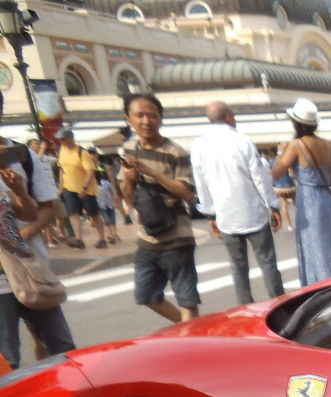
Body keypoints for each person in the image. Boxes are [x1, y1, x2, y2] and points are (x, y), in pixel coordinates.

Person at [0, 91, 74, 369]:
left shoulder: (23, 155)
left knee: (62, 348)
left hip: (31, 267)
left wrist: (18, 190)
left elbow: (35, 210)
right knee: (6, 361)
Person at [191, 100, 286, 304]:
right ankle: (280, 306)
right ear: (227, 116)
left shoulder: (199, 146)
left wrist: (209, 214)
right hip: (253, 212)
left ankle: (245, 310)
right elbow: (259, 177)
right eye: (233, 115)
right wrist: (273, 205)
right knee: (267, 264)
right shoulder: (242, 141)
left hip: (226, 215)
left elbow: (201, 183)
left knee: (238, 268)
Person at [119, 92, 201, 322]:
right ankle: (189, 331)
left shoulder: (175, 152)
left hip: (177, 237)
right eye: (140, 115)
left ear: (161, 118)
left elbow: (188, 194)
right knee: (146, 295)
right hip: (147, 237)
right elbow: (127, 196)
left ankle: (191, 340)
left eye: (152, 115)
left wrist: (150, 171)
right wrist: (129, 178)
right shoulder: (128, 149)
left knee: (187, 299)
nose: (146, 121)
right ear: (129, 119)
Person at [271, 98, 331, 287]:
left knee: (313, 245)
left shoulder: (296, 144)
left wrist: (280, 152)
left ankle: (318, 287)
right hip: (325, 199)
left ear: (296, 123)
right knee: (329, 246)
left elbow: (276, 172)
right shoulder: (325, 144)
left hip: (308, 199)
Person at [57, 127, 107, 249]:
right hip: (69, 187)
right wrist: (61, 187)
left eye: (63, 139)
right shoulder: (62, 150)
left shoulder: (82, 152)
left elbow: (90, 172)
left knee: (93, 214)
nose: (61, 141)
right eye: (60, 139)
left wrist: (84, 188)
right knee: (73, 213)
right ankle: (79, 239)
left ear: (70, 138)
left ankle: (102, 238)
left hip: (86, 189)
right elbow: (62, 169)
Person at [96, 159, 121, 244]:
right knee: (107, 220)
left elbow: (113, 191)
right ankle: (110, 235)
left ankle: (114, 234)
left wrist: (114, 201)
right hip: (101, 206)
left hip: (109, 204)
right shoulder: (94, 186)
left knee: (112, 220)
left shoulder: (106, 183)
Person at [271, 144, 295, 230]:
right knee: (297, 203)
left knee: (284, 205)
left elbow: (272, 175)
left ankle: (289, 225)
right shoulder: (286, 160)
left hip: (278, 187)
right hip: (289, 185)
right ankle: (301, 221)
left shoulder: (272, 161)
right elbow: (291, 173)